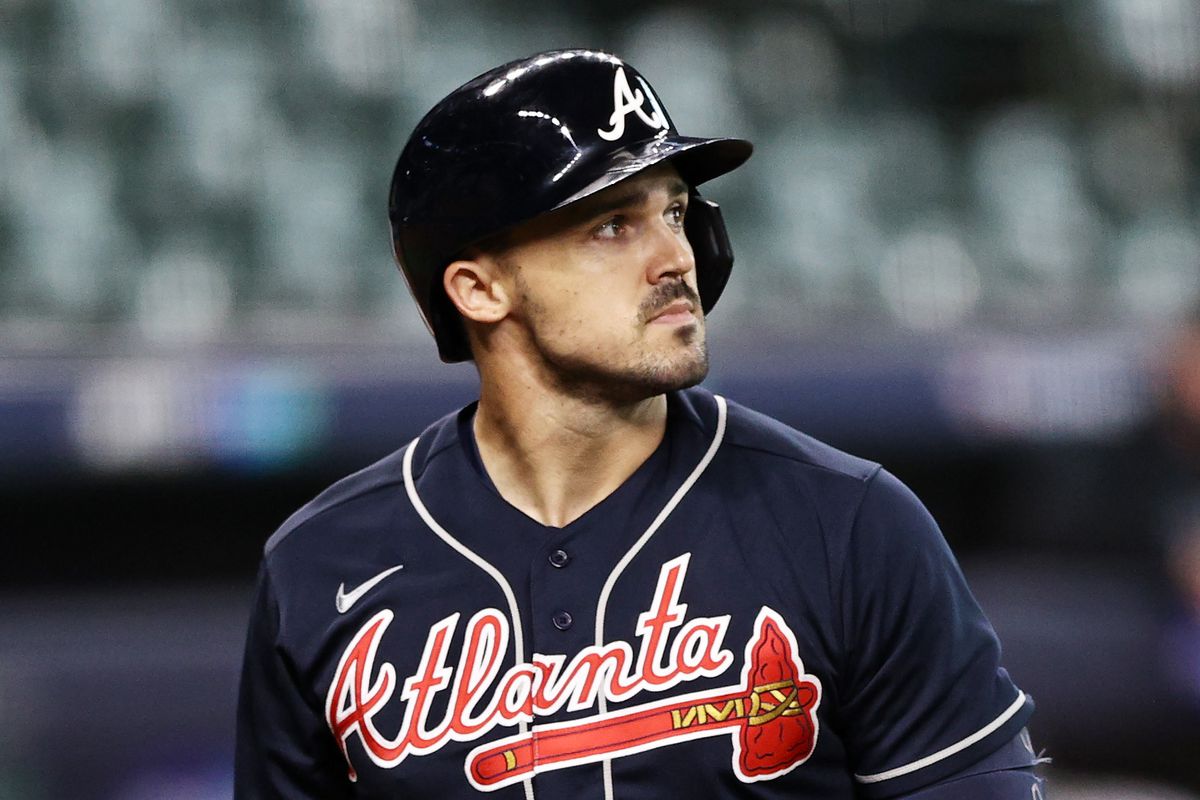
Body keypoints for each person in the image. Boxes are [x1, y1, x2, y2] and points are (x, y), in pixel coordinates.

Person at [235, 49, 1045, 799]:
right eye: (613, 225)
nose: (675, 256)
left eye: (676, 212)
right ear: (480, 290)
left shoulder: (851, 524)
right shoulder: (319, 567)